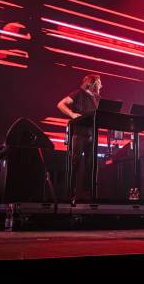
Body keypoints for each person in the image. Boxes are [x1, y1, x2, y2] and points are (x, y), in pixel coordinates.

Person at [57, 74, 102, 203]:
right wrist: (72, 114)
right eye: (98, 82)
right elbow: (61, 104)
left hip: (92, 134)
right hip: (79, 134)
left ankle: (87, 194)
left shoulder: (97, 98)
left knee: (90, 165)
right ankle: (69, 192)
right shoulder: (78, 94)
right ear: (91, 83)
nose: (100, 85)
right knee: (75, 163)